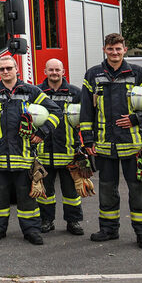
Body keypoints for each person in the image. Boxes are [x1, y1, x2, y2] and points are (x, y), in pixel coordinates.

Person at [80, 33, 142, 250]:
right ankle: (108, 230)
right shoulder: (93, 75)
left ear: (124, 50)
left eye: (118, 49)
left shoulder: (138, 73)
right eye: (110, 49)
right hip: (104, 145)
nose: (114, 52)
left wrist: (138, 118)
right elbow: (86, 111)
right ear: (105, 50)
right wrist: (88, 141)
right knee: (107, 190)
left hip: (133, 145)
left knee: (137, 190)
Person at [0, 54, 59, 245]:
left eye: (9, 68)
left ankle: (31, 231)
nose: (5, 71)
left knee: (27, 198)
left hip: (24, 157)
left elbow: (55, 111)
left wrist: (43, 132)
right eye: (2, 69)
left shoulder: (31, 91)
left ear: (16, 69)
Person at [37, 58, 84, 235]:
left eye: (57, 70)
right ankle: (46, 221)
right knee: (45, 192)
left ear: (63, 72)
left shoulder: (75, 93)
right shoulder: (37, 92)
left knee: (71, 192)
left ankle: (73, 222)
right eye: (51, 70)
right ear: (45, 72)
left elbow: (85, 117)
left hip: (68, 152)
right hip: (44, 152)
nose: (54, 73)